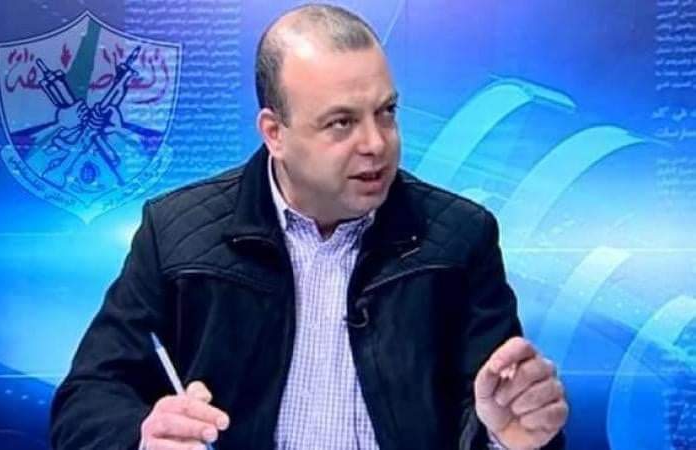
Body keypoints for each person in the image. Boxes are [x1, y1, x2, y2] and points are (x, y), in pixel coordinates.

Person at [50, 4, 568, 450]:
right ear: (274, 133)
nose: (376, 143)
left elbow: (503, 414)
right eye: (342, 122)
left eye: (386, 112)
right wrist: (144, 434)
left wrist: (506, 438)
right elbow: (85, 401)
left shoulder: (461, 238)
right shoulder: (175, 233)